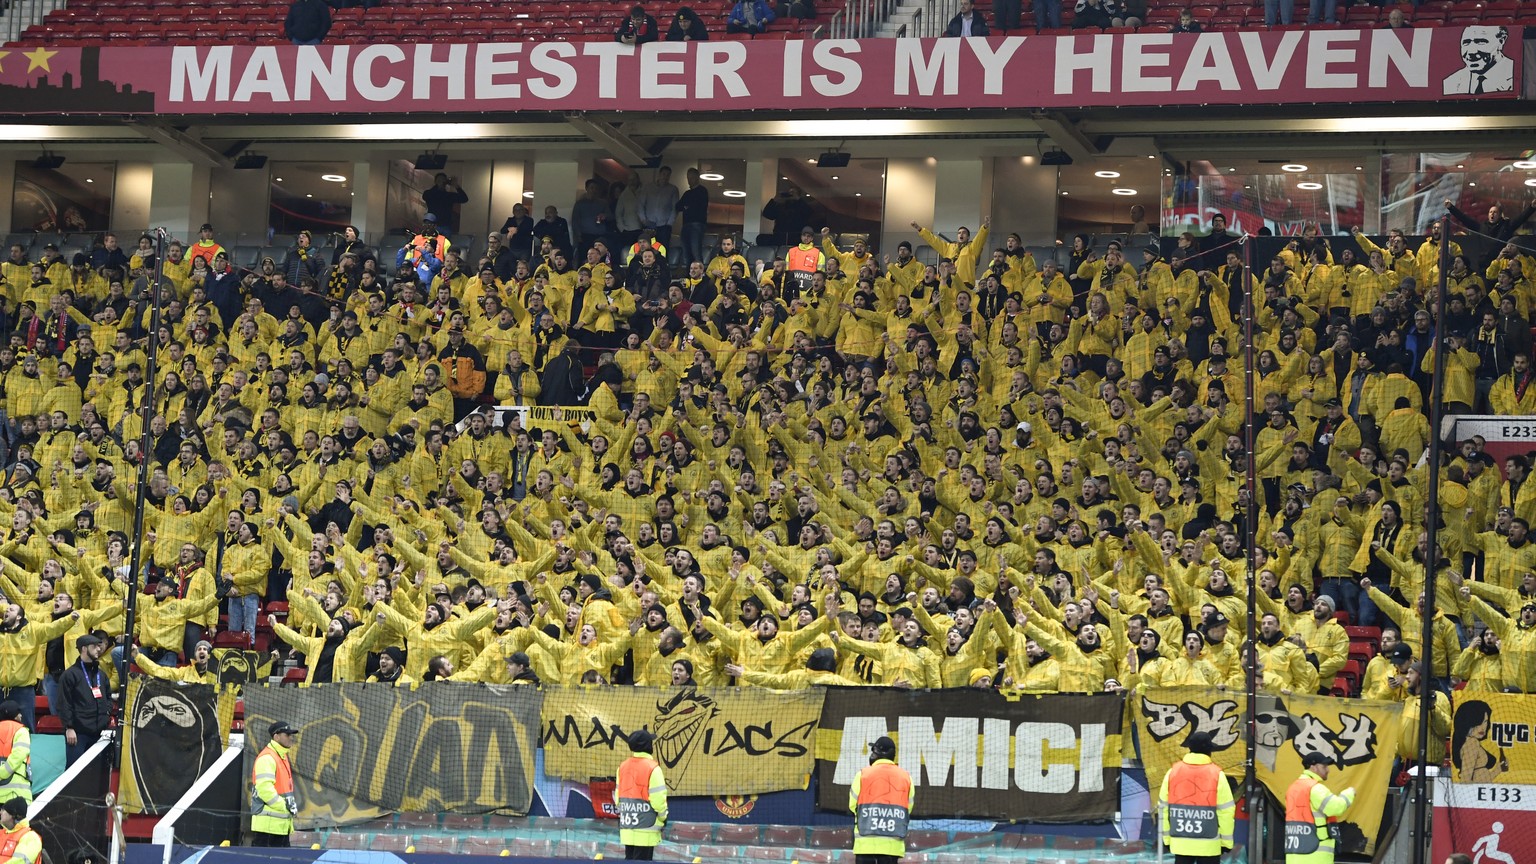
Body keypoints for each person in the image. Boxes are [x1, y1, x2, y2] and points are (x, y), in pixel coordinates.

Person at [1159, 732, 1234, 864]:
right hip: (1209, 846)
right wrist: (1226, 842)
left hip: (1180, 844)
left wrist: (1166, 839)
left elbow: (1163, 809)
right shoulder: (1217, 774)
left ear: (1190, 748)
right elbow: (1226, 811)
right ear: (1209, 751)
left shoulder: (1173, 772)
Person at [1284, 751, 1355, 864]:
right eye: (1324, 766)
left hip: (1295, 855)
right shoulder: (1315, 788)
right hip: (1316, 855)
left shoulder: (1293, 788)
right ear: (1314, 767)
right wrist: (1349, 794)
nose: (1328, 770)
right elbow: (1336, 807)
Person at [849, 736, 911, 864]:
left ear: (878, 753)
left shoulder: (862, 775)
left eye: (873, 751)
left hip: (865, 845)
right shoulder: (906, 778)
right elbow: (907, 808)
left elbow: (853, 805)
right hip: (892, 847)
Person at [57, 634, 112, 767]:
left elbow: (108, 697)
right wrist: (69, 727)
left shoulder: (101, 675)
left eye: (99, 647)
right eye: (94, 647)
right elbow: (64, 703)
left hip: (100, 734)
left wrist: (107, 714)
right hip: (78, 733)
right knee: (74, 773)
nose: (98, 650)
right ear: (84, 649)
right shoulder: (70, 675)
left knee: (97, 774)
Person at [616, 728, 666, 860]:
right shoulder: (653, 768)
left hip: (627, 829)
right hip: (646, 829)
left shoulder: (622, 767)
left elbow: (618, 798)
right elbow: (658, 801)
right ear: (648, 745)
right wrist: (663, 817)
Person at [250, 720, 299, 847]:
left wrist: (289, 805)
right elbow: (264, 789)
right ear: (276, 737)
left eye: (291, 735)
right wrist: (284, 806)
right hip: (267, 828)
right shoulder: (267, 758)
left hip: (279, 827)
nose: (290, 738)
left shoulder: (281, 756)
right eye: (287, 735)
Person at [675, 168, 710, 267]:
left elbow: (699, 206)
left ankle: (700, 277)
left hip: (697, 224)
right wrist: (688, 206)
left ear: (697, 178)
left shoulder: (702, 191)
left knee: (696, 252)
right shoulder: (687, 193)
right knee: (686, 253)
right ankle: (688, 277)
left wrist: (688, 206)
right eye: (688, 178)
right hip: (686, 225)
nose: (689, 180)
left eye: (692, 178)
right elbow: (678, 206)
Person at [0, 703, 29, 806]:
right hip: (16, 794)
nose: (21, 715)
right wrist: (3, 772)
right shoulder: (21, 730)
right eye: (18, 713)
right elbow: (19, 754)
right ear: (12, 714)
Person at [0, 798, 39, 864]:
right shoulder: (2, 833)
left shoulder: (30, 837)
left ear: (12, 815)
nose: (0, 812)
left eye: (4, 810)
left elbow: (20, 861)